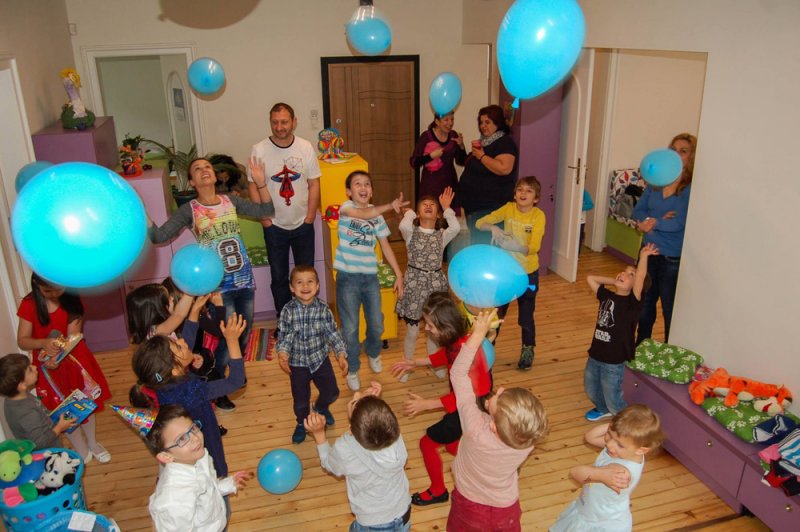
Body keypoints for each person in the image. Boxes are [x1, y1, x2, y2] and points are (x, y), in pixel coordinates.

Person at [148, 156, 274, 412]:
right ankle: (217, 383)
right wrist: (142, 213)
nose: (204, 170)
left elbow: (266, 211)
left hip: (243, 279)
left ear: (215, 176)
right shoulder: (190, 210)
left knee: (242, 334)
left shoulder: (231, 201)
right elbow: (159, 236)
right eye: (197, 169)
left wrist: (261, 183)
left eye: (207, 167)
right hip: (218, 287)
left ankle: (227, 375)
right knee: (228, 337)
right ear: (192, 181)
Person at [446, 310, 549, 532]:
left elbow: (458, 374)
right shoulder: (527, 439)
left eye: (501, 396)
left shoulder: (475, 428)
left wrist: (477, 334)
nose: (500, 389)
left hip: (469, 507)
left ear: (493, 426)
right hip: (506, 510)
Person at [390, 292, 492, 507]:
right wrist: (415, 363)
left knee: (427, 444)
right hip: (464, 407)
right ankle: (475, 467)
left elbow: (466, 397)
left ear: (445, 326)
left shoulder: (467, 353)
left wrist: (426, 404)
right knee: (454, 445)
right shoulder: (458, 341)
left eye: (430, 325)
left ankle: (438, 491)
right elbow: (445, 356)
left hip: (470, 408)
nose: (426, 329)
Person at [130, 313, 246, 478]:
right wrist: (232, 341)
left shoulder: (163, 383)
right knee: (215, 477)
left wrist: (194, 312)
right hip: (205, 448)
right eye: (178, 346)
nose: (182, 342)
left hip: (184, 453)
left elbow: (185, 348)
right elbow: (235, 381)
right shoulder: (191, 391)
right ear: (174, 369)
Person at [16, 273, 112, 463]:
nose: (54, 294)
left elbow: (72, 337)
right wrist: (43, 343)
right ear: (36, 284)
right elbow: (22, 340)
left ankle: (93, 443)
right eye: (48, 290)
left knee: (85, 402)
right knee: (62, 408)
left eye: (59, 289)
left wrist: (58, 357)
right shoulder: (28, 304)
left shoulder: (73, 299)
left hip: (75, 360)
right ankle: (80, 448)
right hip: (45, 366)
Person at [248, 102, 322, 330]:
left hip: (303, 225)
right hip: (274, 227)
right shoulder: (259, 150)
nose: (279, 127)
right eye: (275, 122)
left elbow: (314, 183)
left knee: (306, 275)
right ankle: (284, 320)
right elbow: (252, 186)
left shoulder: (305, 147)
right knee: (279, 276)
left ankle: (307, 318)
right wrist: (264, 220)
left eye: (284, 122)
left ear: (294, 122)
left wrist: (310, 216)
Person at [304, 381, 411, 532]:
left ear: (351, 429)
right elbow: (380, 424)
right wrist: (373, 405)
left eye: (354, 402)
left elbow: (329, 464)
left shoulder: (346, 447)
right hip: (403, 511)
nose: (356, 394)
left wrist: (319, 434)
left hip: (373, 523)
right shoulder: (394, 435)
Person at [334, 170, 406, 392]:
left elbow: (385, 246)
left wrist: (399, 274)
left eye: (367, 184)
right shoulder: (345, 208)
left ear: (371, 191)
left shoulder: (377, 217)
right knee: (350, 328)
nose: (363, 187)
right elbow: (363, 214)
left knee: (376, 323)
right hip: (347, 278)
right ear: (349, 191)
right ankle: (353, 368)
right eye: (357, 184)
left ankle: (373, 352)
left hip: (370, 278)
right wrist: (389, 206)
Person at [551, 405, 665, 532]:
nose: (609, 445)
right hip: (591, 508)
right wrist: (616, 426)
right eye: (609, 435)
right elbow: (590, 437)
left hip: (601, 522)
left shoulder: (620, 472)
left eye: (619, 444)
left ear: (641, 450)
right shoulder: (625, 451)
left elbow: (576, 473)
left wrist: (599, 475)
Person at [147, 404, 253, 532]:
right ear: (166, 456)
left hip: (214, 521)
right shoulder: (174, 499)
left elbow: (208, 487)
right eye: (182, 439)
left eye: (193, 428)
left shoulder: (199, 457)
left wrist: (229, 484)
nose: (195, 438)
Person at [633, 132, 697, 344]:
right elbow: (638, 211)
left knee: (670, 311)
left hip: (671, 259)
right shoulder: (656, 183)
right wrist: (648, 221)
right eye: (673, 150)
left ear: (692, 156)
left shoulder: (690, 190)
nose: (677, 154)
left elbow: (679, 223)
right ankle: (641, 347)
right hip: (648, 253)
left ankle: (670, 351)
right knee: (644, 305)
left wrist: (654, 222)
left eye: (683, 151)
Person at [476, 176, 546, 370]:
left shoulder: (538, 216)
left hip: (528, 275)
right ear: (515, 194)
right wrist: (493, 228)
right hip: (506, 274)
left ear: (536, 198)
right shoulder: (508, 208)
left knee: (526, 317)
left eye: (529, 191)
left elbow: (535, 247)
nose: (523, 193)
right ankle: (487, 347)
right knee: (497, 314)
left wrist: (516, 247)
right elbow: (479, 223)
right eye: (520, 190)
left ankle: (528, 349)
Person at [276, 265, 349, 444]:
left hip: (320, 360)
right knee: (301, 401)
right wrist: (283, 353)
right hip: (297, 364)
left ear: (317, 286)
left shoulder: (324, 309)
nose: (305, 286)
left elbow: (332, 333)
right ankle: (302, 423)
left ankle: (320, 407)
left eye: (310, 281)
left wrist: (340, 353)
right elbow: (285, 336)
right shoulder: (288, 310)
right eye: (299, 282)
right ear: (292, 288)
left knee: (332, 392)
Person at [584, 244, 657, 422]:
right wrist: (614, 280)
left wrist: (644, 256)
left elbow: (640, 277)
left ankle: (627, 421)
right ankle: (602, 409)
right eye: (624, 271)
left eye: (630, 274)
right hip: (595, 355)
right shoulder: (607, 296)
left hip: (613, 361)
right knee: (591, 388)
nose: (624, 274)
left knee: (612, 396)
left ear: (637, 285)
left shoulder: (633, 304)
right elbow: (590, 278)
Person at [394, 187, 460, 382]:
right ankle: (406, 366)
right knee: (412, 331)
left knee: (434, 330)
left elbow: (455, 228)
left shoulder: (442, 234)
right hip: (414, 285)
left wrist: (447, 208)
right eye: (424, 205)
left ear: (438, 214)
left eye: (432, 205)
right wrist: (409, 213)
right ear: (418, 213)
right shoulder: (410, 232)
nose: (429, 206)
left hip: (436, 285)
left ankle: (435, 363)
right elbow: (403, 225)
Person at [456, 104, 518, 246]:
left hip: (490, 208)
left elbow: (504, 168)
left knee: (486, 247)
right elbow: (466, 162)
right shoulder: (485, 143)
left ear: (498, 123)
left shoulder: (505, 143)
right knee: (478, 246)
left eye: (487, 122)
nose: (483, 126)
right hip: (476, 208)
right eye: (481, 122)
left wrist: (482, 156)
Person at [0, 353, 76, 450]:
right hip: (47, 453)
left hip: (51, 442)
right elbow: (40, 443)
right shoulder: (26, 413)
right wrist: (60, 427)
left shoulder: (16, 397)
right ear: (21, 385)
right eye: (30, 369)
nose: (35, 367)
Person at [410, 112, 466, 209]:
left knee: (449, 216)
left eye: (452, 119)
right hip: (430, 187)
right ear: (437, 121)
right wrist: (431, 156)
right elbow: (414, 162)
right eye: (446, 120)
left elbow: (461, 161)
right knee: (431, 215)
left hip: (449, 187)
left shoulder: (453, 135)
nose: (450, 123)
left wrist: (461, 146)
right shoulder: (426, 136)